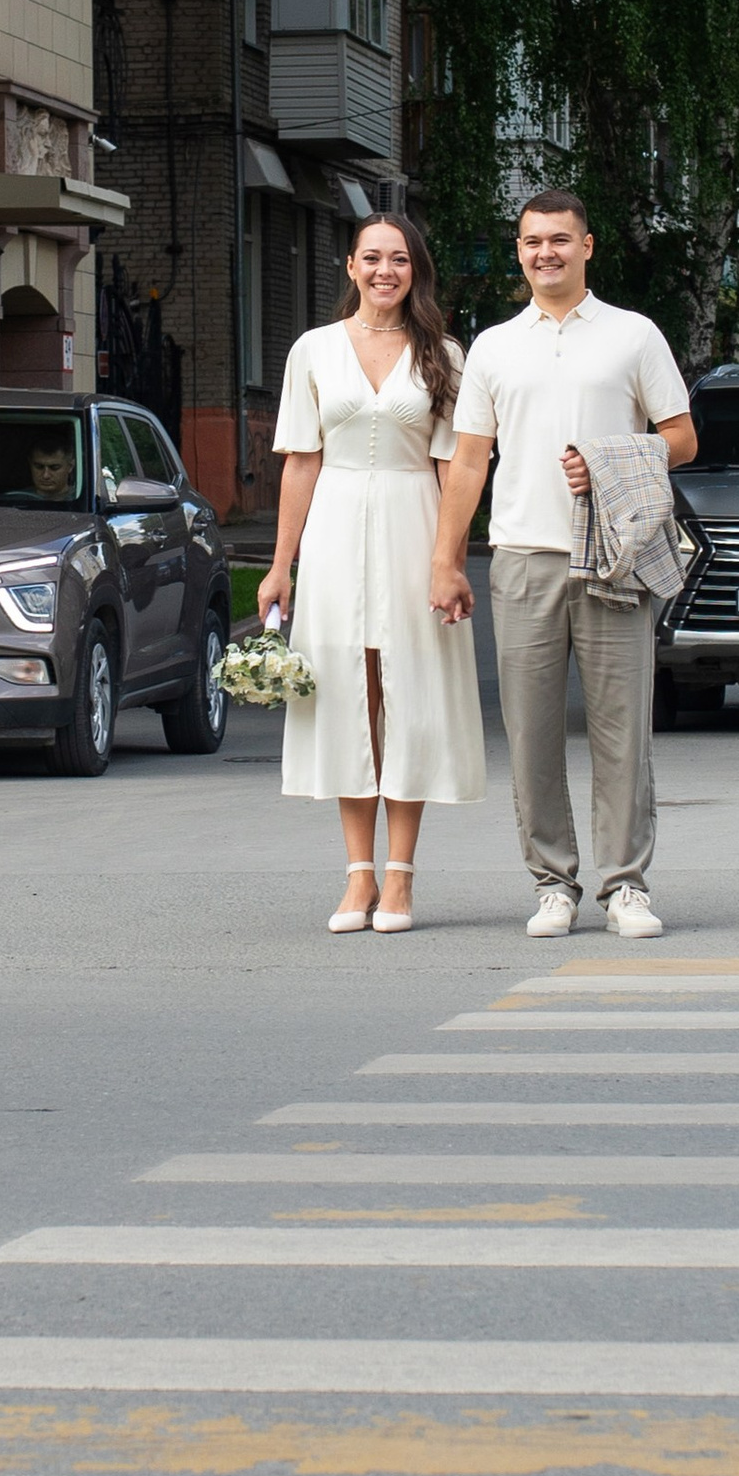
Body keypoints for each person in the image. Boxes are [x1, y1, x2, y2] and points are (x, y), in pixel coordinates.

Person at [433, 188, 696, 941]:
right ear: (519, 252)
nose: (544, 251)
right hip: (522, 558)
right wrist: (446, 560)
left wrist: (616, 459)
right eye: (531, 241)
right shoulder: (492, 345)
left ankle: (625, 889)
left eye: (559, 239)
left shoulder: (633, 335)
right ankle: (553, 884)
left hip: (616, 558)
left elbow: (681, 438)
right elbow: (469, 459)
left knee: (623, 734)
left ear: (588, 246)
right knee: (532, 735)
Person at [257, 213, 483, 935]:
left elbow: (456, 465)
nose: (386, 270)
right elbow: (301, 459)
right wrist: (279, 566)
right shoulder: (314, 350)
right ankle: (357, 878)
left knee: (406, 693)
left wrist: (449, 559)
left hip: (415, 520)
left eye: (400, 260)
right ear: (350, 268)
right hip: (334, 525)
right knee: (349, 695)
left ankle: (402, 877)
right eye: (372, 258)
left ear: (415, 271)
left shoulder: (443, 353)